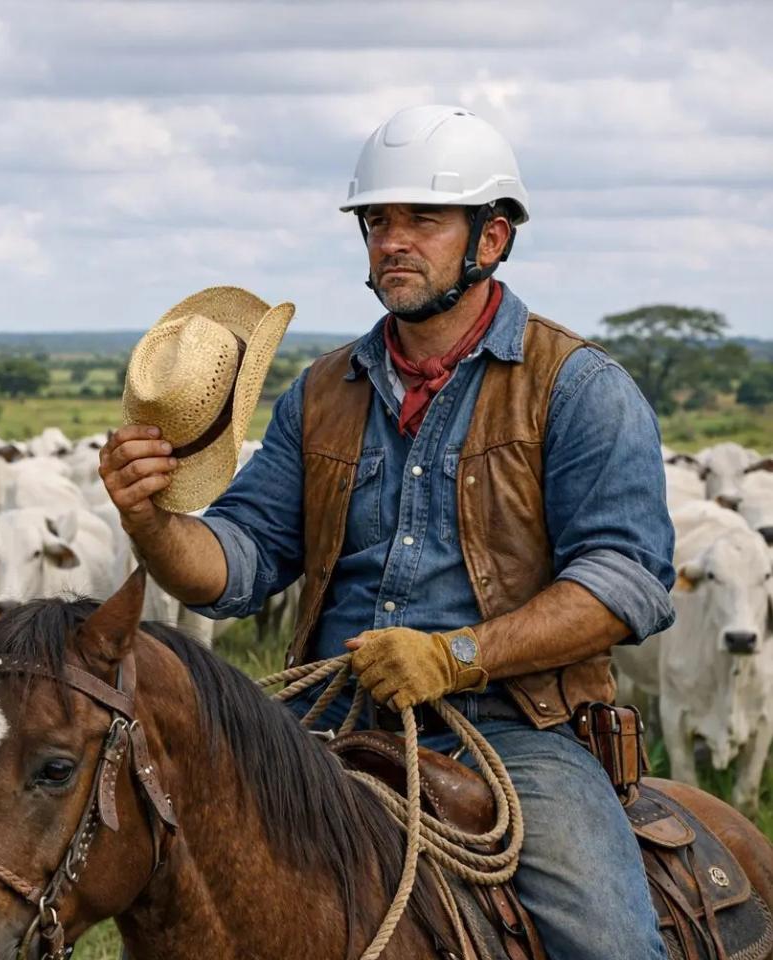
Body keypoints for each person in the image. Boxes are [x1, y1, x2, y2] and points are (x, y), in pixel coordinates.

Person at [100, 104, 674, 959]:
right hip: (324, 716)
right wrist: (151, 522)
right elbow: (239, 562)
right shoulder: (323, 392)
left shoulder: (578, 387)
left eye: (423, 220)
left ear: (493, 238)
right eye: (377, 222)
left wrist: (456, 656)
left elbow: (626, 581)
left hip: (517, 730)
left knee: (609, 944)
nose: (392, 241)